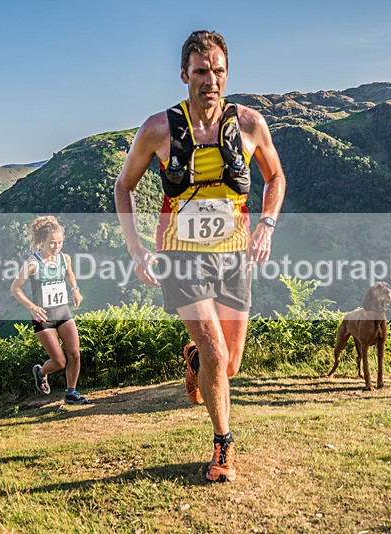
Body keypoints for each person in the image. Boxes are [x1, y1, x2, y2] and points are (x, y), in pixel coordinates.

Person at [114, 30, 285, 482]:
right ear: (184, 74)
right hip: (180, 254)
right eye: (202, 71)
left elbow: (276, 178)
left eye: (219, 71)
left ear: (227, 73)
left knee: (229, 362)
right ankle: (224, 445)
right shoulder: (158, 128)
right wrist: (136, 250)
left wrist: (266, 225)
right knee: (214, 346)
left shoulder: (250, 124)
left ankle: (195, 362)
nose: (211, 80)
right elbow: (124, 187)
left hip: (235, 253)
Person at [10, 216, 90, 405]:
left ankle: (71, 393)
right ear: (43, 241)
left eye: (60, 242)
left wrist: (75, 290)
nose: (56, 246)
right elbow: (15, 288)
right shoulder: (33, 262)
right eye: (52, 243)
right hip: (43, 317)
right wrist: (32, 307)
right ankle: (41, 371)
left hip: (63, 311)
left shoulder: (64, 258)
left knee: (75, 354)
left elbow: (69, 273)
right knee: (60, 362)